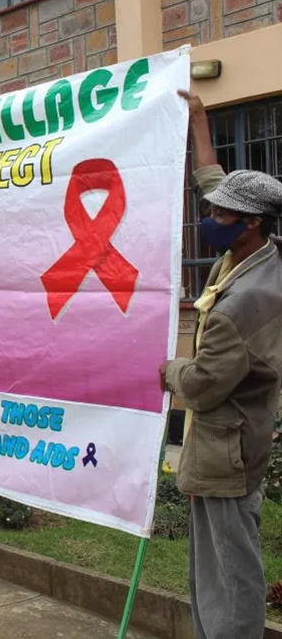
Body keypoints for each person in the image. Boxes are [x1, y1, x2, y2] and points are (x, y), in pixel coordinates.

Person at [159, 90, 282, 639]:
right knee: (209, 565)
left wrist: (167, 370)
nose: (209, 218)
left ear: (251, 223)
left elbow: (204, 385)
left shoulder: (245, 303)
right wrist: (200, 119)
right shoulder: (253, 249)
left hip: (227, 446)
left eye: (219, 215)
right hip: (232, 441)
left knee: (230, 572)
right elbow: (214, 180)